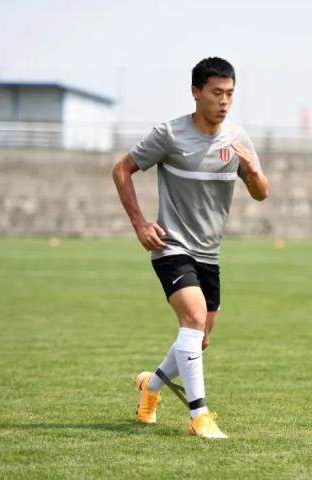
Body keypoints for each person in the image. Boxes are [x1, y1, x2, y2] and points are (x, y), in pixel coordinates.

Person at [112, 57, 269, 439]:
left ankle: (150, 387)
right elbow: (121, 170)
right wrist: (140, 224)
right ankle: (199, 416)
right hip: (171, 246)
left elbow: (261, 193)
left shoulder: (237, 138)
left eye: (230, 93)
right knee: (194, 319)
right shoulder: (170, 134)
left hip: (209, 253)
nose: (224, 101)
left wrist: (252, 170)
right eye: (216, 93)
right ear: (196, 92)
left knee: (200, 337)